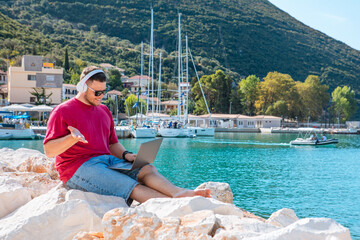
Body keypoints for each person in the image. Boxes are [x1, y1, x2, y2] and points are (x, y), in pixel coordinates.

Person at [43, 66, 210, 206]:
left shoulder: (103, 111)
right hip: (77, 167)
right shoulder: (63, 111)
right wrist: (71, 139)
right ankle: (173, 206)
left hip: (106, 161)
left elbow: (112, 144)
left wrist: (127, 155)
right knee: (132, 186)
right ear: (83, 87)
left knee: (147, 169)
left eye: (104, 91)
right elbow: (49, 151)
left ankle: (179, 193)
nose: (101, 96)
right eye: (97, 92)